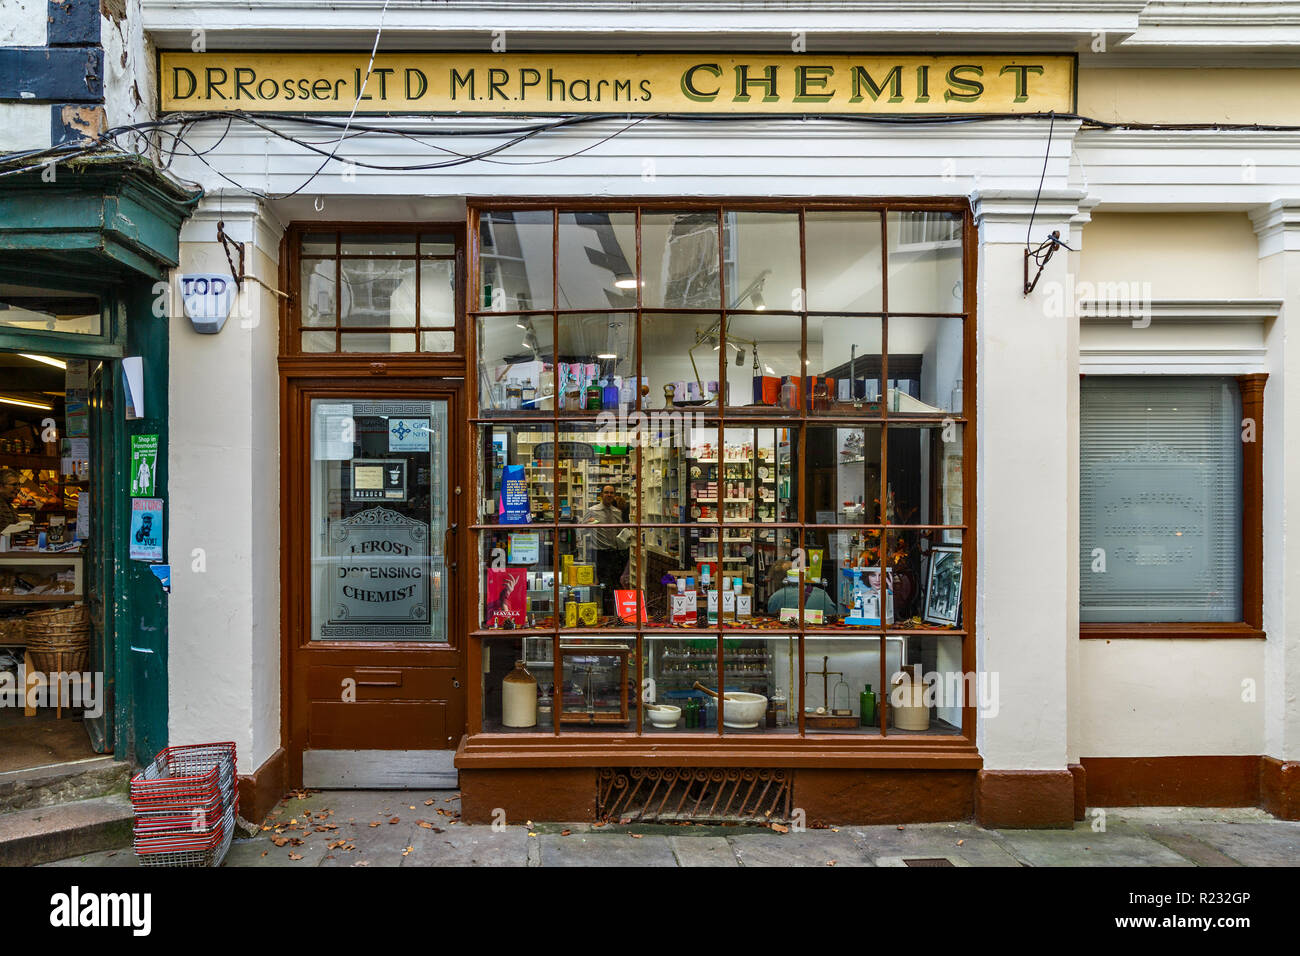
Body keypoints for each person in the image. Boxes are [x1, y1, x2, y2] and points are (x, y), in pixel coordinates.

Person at [582, 484, 630, 615]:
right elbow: (582, 530)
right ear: (601, 495)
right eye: (606, 492)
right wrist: (587, 524)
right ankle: (604, 614)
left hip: (615, 553)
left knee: (615, 584)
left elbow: (620, 532)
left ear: (614, 495)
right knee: (603, 586)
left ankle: (615, 613)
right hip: (600, 553)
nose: (609, 495)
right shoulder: (592, 510)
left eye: (611, 493)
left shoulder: (617, 512)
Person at [766, 561, 838, 620]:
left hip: (790, 635)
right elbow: (833, 617)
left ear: (777, 580)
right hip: (820, 635)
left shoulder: (775, 598)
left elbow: (774, 623)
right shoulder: (822, 594)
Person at [0, 468, 26, 533]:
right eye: (14, 485)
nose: (18, 488)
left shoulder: (7, 504)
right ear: (1, 486)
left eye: (19, 484)